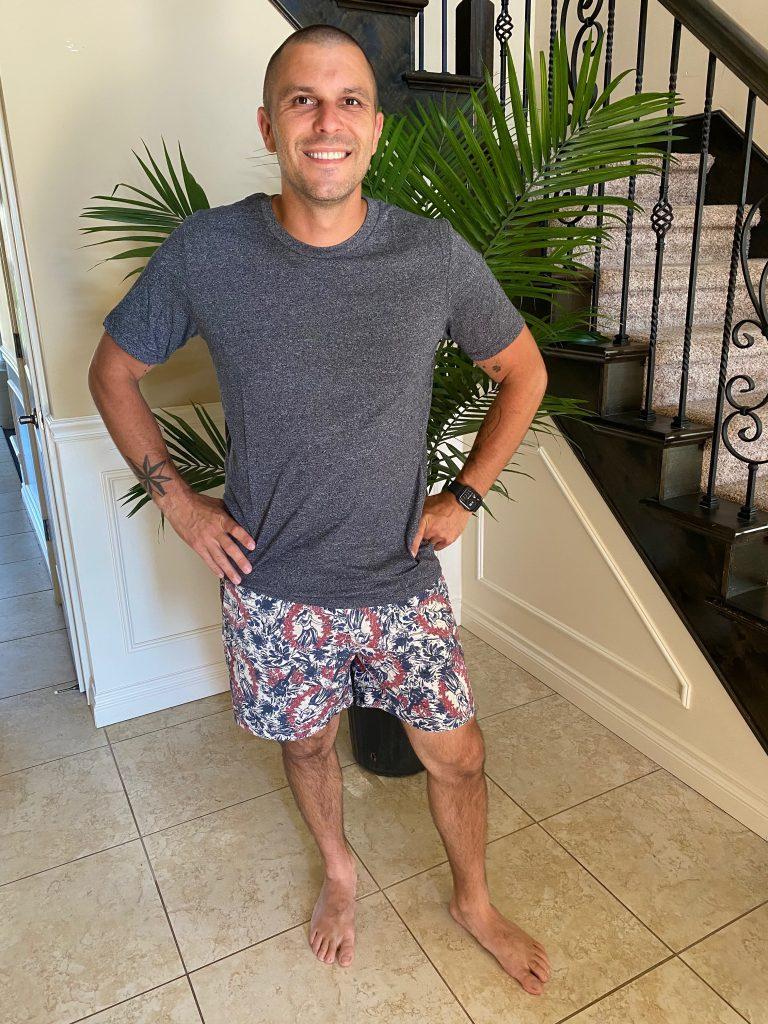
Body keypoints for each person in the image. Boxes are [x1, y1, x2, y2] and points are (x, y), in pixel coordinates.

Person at [89, 23, 551, 995]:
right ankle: (340, 872)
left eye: (349, 101)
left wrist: (464, 493)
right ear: (269, 125)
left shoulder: (430, 255)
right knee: (306, 745)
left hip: (398, 579)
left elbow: (524, 371)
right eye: (303, 100)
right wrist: (182, 505)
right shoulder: (208, 251)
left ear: (376, 129)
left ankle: (472, 900)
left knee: (458, 756)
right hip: (274, 586)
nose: (327, 122)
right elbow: (114, 371)